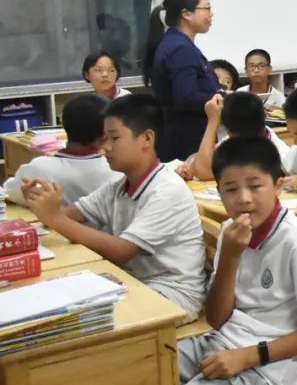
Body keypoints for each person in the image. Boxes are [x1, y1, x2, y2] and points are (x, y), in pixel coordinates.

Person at [114, 136, 297, 385]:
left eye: (255, 186)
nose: (244, 199)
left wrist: (249, 356)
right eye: (231, 189)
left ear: (278, 186)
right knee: (120, 384)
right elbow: (218, 318)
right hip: (217, 342)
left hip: (264, 370)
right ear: (218, 193)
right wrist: (230, 255)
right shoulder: (231, 234)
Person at [22, 94, 207, 321]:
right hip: (132, 281)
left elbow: (121, 251)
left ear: (147, 139)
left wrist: (54, 218)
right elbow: (68, 217)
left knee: (78, 321)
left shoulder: (167, 190)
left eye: (114, 138)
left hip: (172, 294)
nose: (105, 147)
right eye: (104, 139)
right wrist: (43, 202)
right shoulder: (118, 186)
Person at [143, 0, 219, 161]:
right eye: (207, 8)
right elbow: (186, 97)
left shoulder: (177, 42)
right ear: (186, 14)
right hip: (187, 140)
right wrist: (220, 97)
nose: (211, 14)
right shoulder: (180, 48)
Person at [4, 94, 121, 205]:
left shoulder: (38, 167)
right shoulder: (116, 172)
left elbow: (10, 192)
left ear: (63, 124)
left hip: (49, 219)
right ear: (105, 136)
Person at [184, 92, 291, 182]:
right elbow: (200, 157)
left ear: (228, 130)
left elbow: (202, 171)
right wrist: (186, 166)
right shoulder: (240, 139)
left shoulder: (277, 155)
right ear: (265, 114)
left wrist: (212, 121)